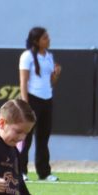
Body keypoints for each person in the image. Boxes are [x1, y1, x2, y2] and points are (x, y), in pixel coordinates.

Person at [18, 26, 61, 182]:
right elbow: (23, 81)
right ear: (36, 41)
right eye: (45, 38)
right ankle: (21, 171)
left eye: (47, 37)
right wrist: (25, 105)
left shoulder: (49, 56)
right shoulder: (27, 56)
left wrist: (56, 75)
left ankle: (44, 172)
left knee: (43, 137)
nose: (48, 40)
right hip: (32, 99)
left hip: (47, 100)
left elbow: (50, 82)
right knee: (26, 137)